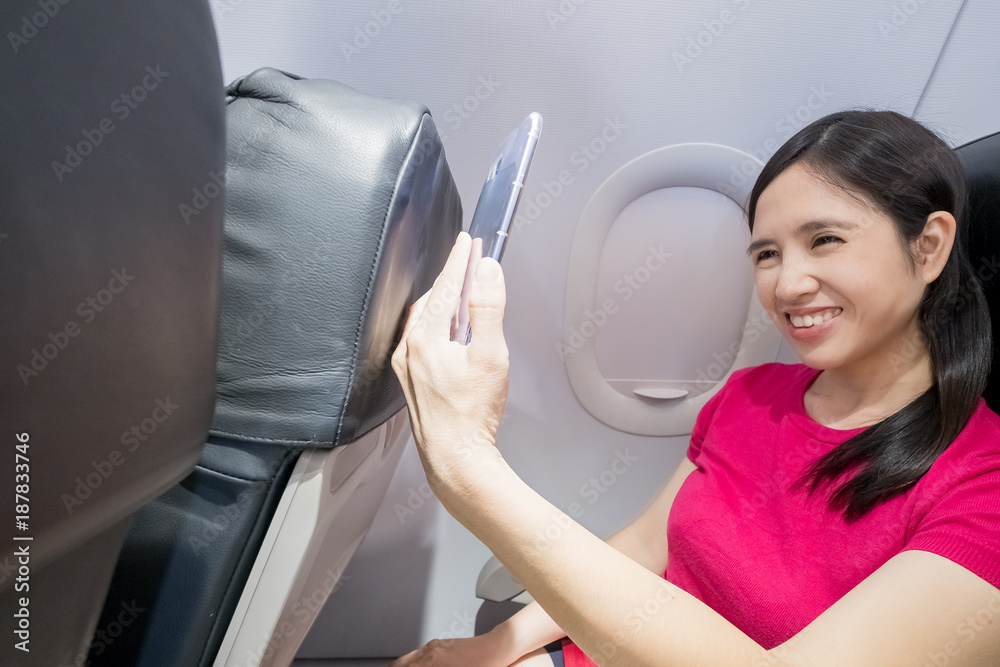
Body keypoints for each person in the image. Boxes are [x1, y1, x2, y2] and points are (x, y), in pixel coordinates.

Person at [388, 110, 1000, 666]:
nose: (787, 285)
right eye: (766, 254)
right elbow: (644, 546)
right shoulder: (751, 396)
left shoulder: (982, 486)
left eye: (825, 241)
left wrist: (468, 468)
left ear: (928, 247)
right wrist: (501, 646)